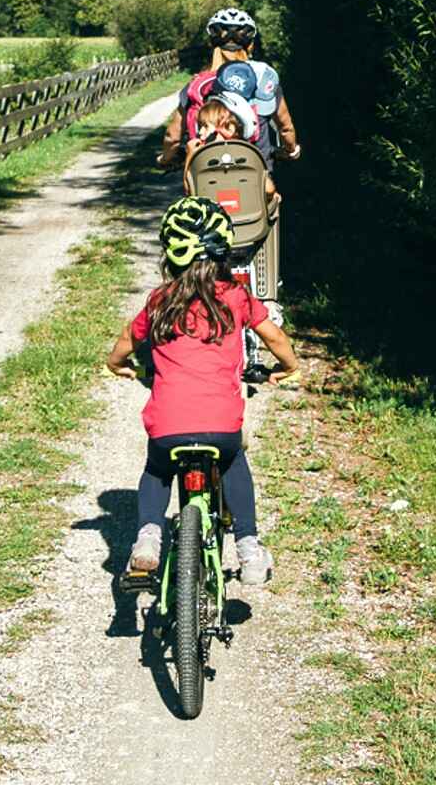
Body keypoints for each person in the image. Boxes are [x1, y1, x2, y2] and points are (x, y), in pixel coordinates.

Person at [104, 196, 301, 585]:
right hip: (221, 427)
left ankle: (147, 537)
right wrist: (288, 367)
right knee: (233, 462)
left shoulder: (160, 300)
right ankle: (248, 546)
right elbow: (274, 338)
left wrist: (117, 365)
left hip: (168, 427)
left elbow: (128, 339)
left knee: (157, 470)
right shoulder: (237, 297)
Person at [156, 5, 302, 177]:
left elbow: (172, 136)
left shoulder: (197, 85)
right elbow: (285, 128)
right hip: (255, 173)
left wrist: (166, 159)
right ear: (250, 46)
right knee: (272, 199)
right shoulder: (264, 80)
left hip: (205, 171)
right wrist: (290, 150)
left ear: (212, 44)